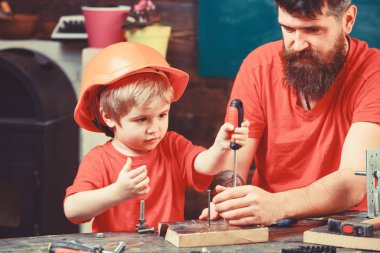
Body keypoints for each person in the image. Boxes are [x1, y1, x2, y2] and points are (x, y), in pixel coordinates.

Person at [200, 0, 380, 226]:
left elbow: (354, 183)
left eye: (313, 30)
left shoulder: (374, 72)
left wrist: (277, 205)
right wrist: (229, 200)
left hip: (350, 228)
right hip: (269, 224)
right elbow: (235, 164)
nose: (297, 45)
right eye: (288, 29)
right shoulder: (258, 66)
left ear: (348, 20)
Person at [64, 42, 249, 232]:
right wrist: (117, 193)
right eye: (142, 119)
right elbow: (73, 210)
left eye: (162, 115)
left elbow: (205, 166)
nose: (155, 129)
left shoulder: (172, 145)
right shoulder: (99, 160)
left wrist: (220, 147)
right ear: (108, 116)